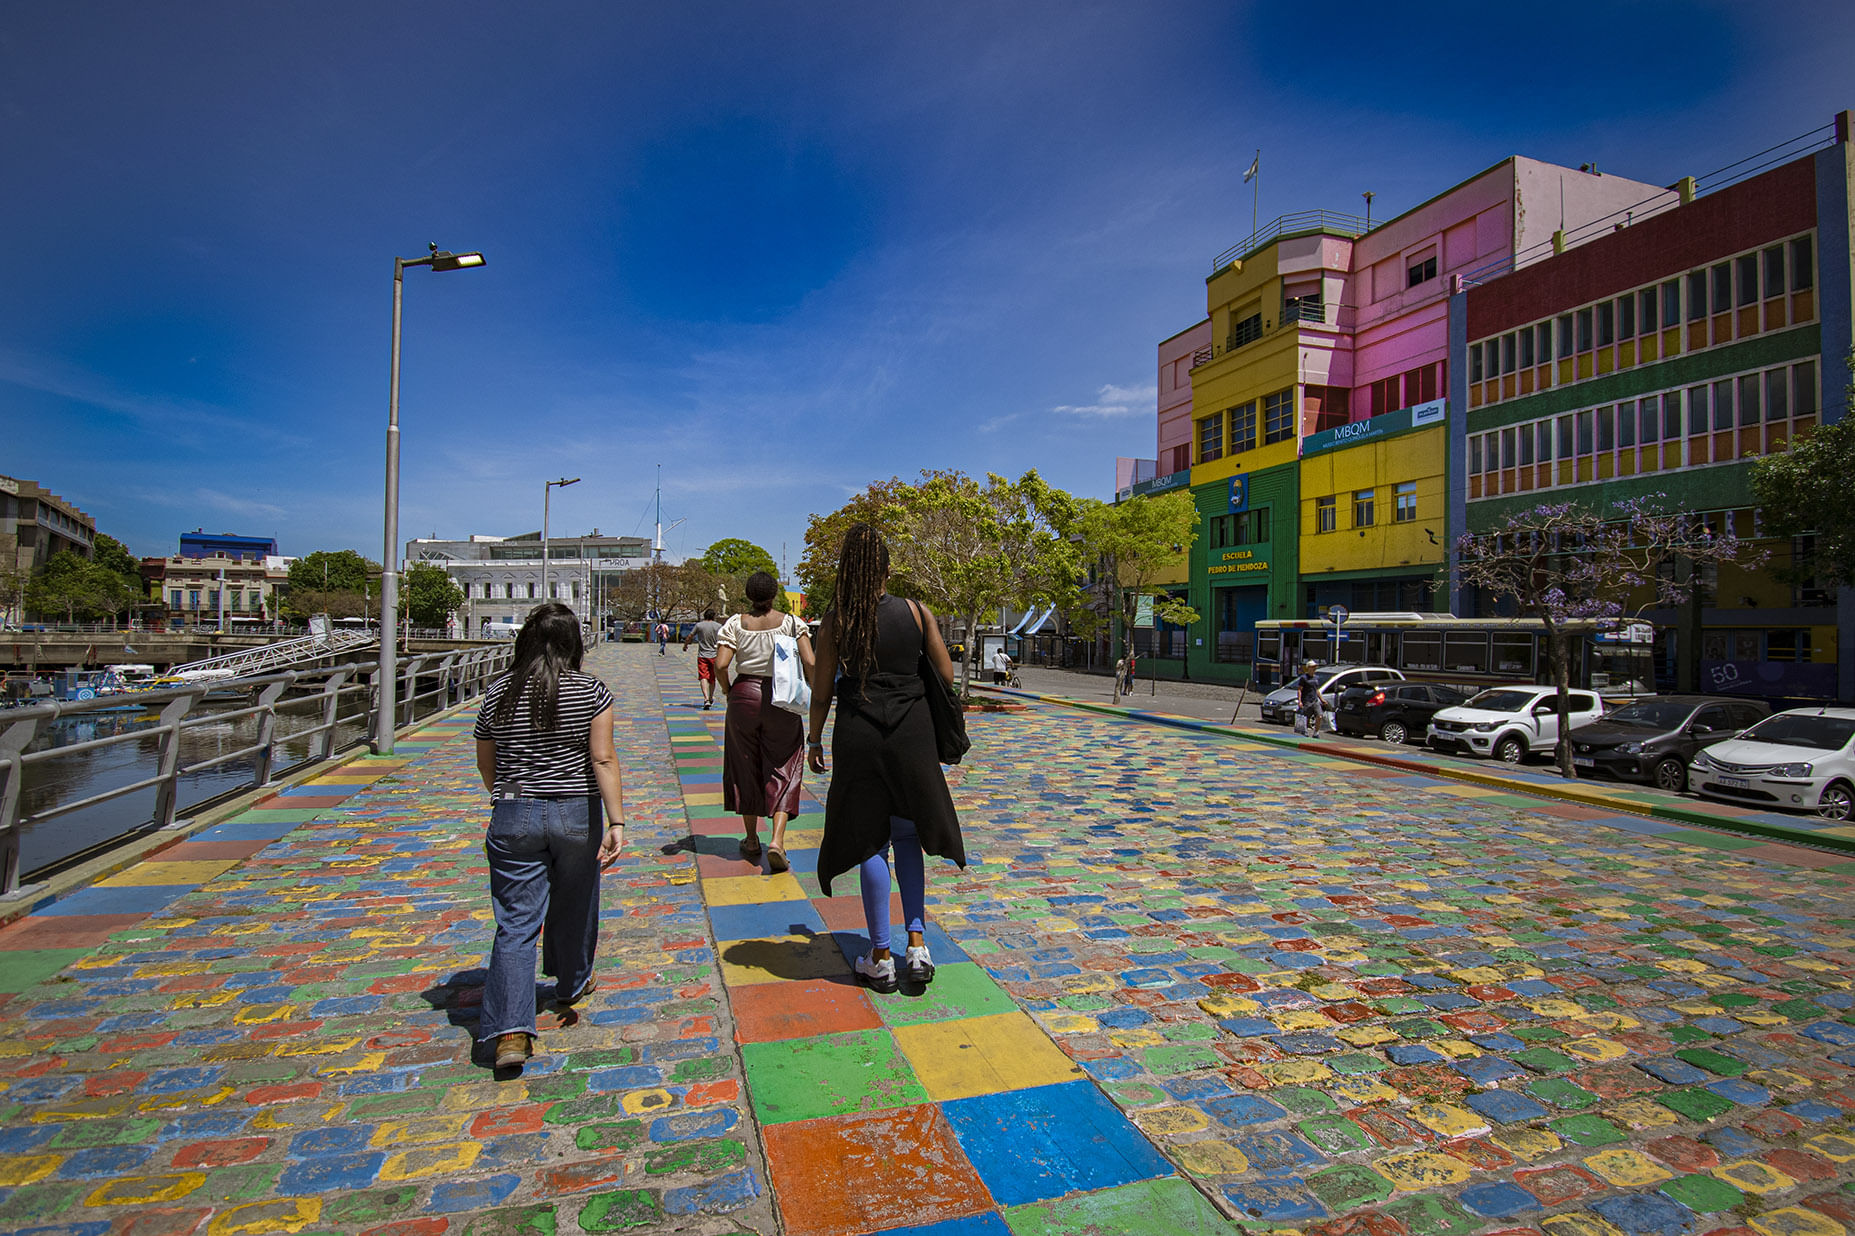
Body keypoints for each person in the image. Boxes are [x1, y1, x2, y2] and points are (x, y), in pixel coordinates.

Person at [807, 524, 966, 993]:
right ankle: (916, 945)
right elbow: (945, 673)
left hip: (859, 732)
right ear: (886, 568)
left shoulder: (838, 620)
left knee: (870, 842)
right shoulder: (918, 613)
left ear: (846, 570)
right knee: (908, 833)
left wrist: (814, 738)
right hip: (911, 732)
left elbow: (821, 689)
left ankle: (880, 956)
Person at [472, 602, 625, 1072]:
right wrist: (617, 821)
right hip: (576, 811)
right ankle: (572, 982)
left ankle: (511, 1033)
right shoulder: (591, 691)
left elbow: (486, 758)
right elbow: (601, 759)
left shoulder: (499, 691)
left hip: (514, 811)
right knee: (576, 899)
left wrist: (509, 797)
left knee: (516, 922)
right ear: (573, 643)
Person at [715, 573, 814, 874]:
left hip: (744, 696)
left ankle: (750, 838)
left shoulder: (735, 623)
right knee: (785, 763)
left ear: (748, 594)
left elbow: (720, 664)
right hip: (781, 699)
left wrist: (728, 690)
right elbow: (810, 662)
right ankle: (777, 841)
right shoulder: (792, 623)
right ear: (775, 594)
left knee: (745, 764)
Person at [683, 609, 724, 709]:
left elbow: (690, 636)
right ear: (713, 616)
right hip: (714, 655)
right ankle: (710, 697)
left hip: (702, 655)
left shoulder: (699, 625)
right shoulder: (718, 626)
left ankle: (705, 699)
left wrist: (685, 645)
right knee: (712, 678)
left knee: (703, 677)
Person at [1295, 659, 1328, 734]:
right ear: (1308, 668)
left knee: (1319, 716)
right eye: (1313, 667)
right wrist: (1299, 701)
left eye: (1315, 667)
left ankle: (1316, 733)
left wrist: (1322, 699)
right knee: (1306, 717)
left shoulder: (1316, 678)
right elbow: (1299, 690)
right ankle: (1305, 731)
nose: (1314, 668)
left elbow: (1317, 690)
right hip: (1306, 700)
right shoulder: (1304, 678)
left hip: (1315, 700)